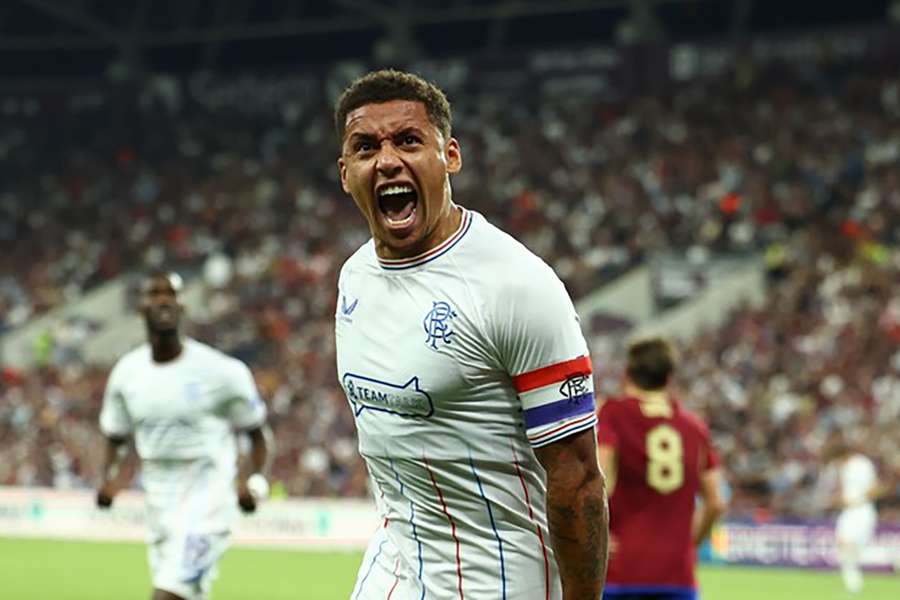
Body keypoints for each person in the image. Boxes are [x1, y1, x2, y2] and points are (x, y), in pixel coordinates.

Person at [333, 69, 609, 599]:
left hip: (498, 577)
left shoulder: (517, 286)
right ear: (346, 173)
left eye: (409, 141)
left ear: (450, 156)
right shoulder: (354, 277)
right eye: (366, 147)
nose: (387, 159)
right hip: (393, 564)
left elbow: (579, 479)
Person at [96, 271, 270, 600]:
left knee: (168, 593)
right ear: (140, 308)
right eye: (154, 293)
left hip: (209, 497)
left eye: (171, 293)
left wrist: (254, 482)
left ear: (182, 307)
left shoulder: (221, 371)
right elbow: (115, 435)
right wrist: (108, 479)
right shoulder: (127, 374)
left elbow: (257, 433)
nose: (163, 299)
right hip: (159, 499)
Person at [596, 337, 725, 600]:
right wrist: (689, 544)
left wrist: (596, 534)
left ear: (627, 374)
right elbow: (716, 502)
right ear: (669, 378)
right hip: (678, 576)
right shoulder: (694, 428)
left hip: (623, 571)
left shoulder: (613, 414)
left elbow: (596, 478)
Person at [828, 440, 880, 594]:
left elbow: (874, 488)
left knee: (854, 549)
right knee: (843, 545)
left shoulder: (862, 464)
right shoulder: (844, 467)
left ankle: (892, 558)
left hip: (862, 510)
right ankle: (853, 585)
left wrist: (857, 501)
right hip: (849, 511)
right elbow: (846, 492)